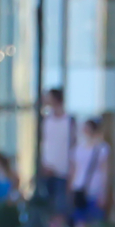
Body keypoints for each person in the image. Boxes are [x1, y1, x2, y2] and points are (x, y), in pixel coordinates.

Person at [38, 88, 76, 220]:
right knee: (45, 209)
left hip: (62, 172)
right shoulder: (45, 120)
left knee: (60, 210)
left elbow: (73, 147)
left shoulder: (69, 121)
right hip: (47, 170)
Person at [69, 116, 111, 227]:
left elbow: (104, 171)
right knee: (80, 222)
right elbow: (74, 170)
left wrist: (104, 193)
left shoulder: (102, 149)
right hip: (79, 189)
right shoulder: (78, 149)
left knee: (95, 222)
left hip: (95, 190)